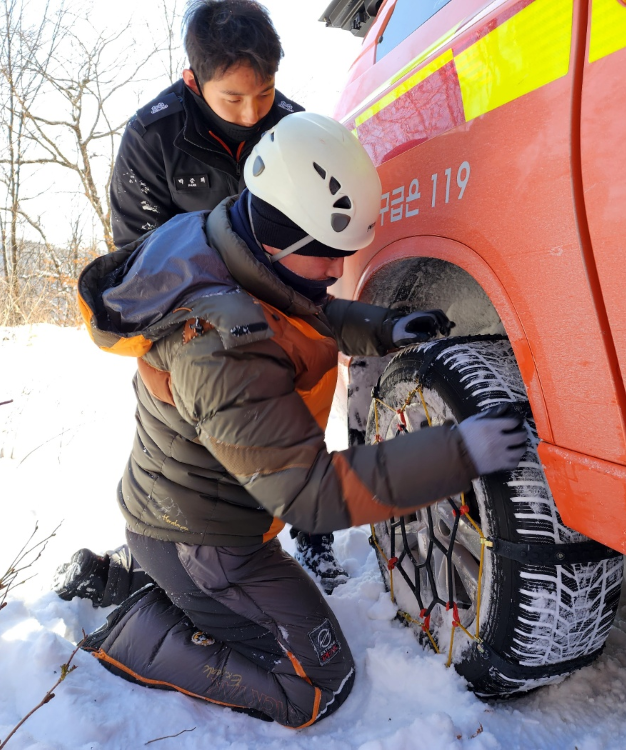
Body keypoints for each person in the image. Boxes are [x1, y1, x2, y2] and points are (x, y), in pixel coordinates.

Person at [73, 112, 530, 727]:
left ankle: (144, 581)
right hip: (206, 543)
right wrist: (457, 453)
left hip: (200, 515)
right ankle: (135, 631)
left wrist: (380, 327)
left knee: (252, 613)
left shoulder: (227, 241)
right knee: (319, 683)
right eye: (328, 257)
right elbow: (311, 495)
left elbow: (301, 307)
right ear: (282, 240)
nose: (339, 272)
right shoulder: (218, 347)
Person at [55, 0, 356, 599]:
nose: (252, 114)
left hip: (282, 308)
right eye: (233, 100)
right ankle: (167, 549)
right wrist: (183, 338)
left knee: (299, 414)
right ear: (195, 80)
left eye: (264, 95)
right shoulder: (153, 136)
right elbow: (140, 263)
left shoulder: (293, 127)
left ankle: (307, 534)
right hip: (188, 324)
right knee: (195, 450)